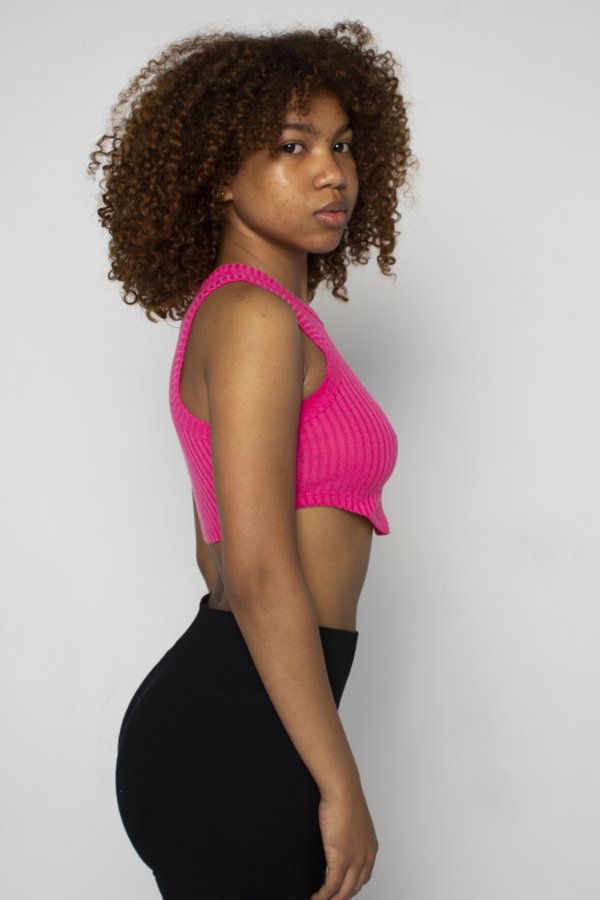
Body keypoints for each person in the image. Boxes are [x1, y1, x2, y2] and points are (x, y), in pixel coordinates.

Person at [87, 19, 417, 900]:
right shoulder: (253, 320)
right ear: (218, 174)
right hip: (236, 737)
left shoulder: (253, 315)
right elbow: (256, 572)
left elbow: (213, 552)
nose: (332, 171)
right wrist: (341, 784)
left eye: (342, 144)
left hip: (237, 723)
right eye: (293, 145)